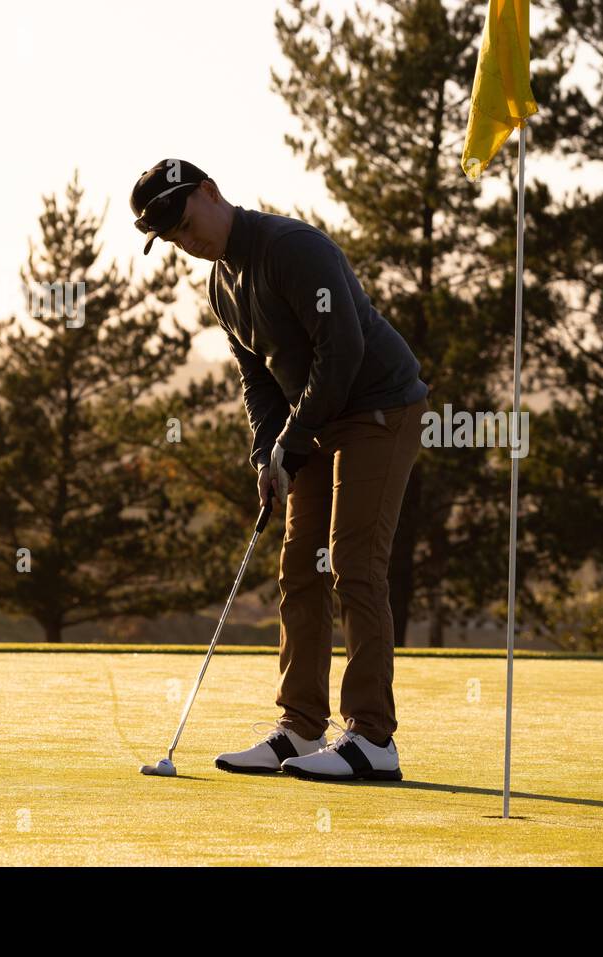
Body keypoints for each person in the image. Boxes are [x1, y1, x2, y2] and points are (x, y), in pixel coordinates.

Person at [130, 159, 430, 779]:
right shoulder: (222, 284)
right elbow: (259, 380)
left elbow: (341, 350)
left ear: (212, 193)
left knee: (354, 563)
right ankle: (299, 728)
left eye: (187, 224)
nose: (188, 244)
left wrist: (294, 439)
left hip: (379, 406)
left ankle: (373, 740)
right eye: (173, 239)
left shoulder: (292, 248)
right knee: (300, 566)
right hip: (315, 419)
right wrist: (267, 453)